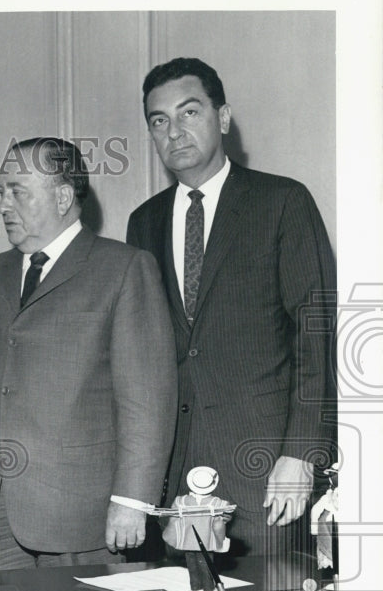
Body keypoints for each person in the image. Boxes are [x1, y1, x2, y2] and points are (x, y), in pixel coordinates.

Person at [0, 138, 176, 571]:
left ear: (62, 197)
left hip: (89, 515)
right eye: (1, 190)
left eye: (17, 191)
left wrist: (133, 499)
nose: (3, 204)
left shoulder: (124, 268)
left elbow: (148, 399)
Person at [126, 57, 337, 556]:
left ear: (222, 119)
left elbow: (316, 334)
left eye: (189, 113)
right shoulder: (144, 222)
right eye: (159, 121)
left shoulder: (282, 201)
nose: (174, 131)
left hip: (267, 470)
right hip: (177, 472)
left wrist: (300, 454)